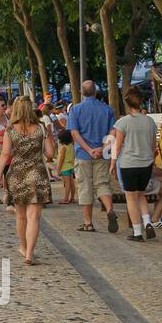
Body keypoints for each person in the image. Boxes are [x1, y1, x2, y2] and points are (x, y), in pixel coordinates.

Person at [0, 97, 53, 265]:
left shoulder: (10, 130)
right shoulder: (41, 128)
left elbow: (6, 154)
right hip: (37, 174)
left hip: (16, 174)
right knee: (34, 217)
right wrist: (49, 137)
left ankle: (23, 247)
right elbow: (50, 154)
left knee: (21, 217)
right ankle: (30, 253)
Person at [67, 79, 118, 232]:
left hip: (83, 154)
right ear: (95, 91)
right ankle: (109, 209)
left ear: (81, 92)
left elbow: (74, 133)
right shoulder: (107, 109)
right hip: (102, 155)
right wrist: (103, 148)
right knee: (102, 184)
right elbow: (113, 131)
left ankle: (88, 223)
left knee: (85, 187)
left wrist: (89, 150)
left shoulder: (75, 110)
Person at [113, 88, 159, 242]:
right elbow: (154, 146)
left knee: (131, 198)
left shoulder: (122, 122)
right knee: (141, 194)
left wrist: (113, 163)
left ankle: (137, 232)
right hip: (146, 164)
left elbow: (118, 146)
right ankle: (147, 222)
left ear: (127, 104)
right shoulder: (150, 121)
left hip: (129, 164)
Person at [55, 129, 76, 204]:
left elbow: (61, 159)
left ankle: (66, 199)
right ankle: (72, 198)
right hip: (71, 166)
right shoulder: (71, 146)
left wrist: (58, 170)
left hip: (65, 168)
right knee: (72, 183)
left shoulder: (63, 148)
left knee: (66, 184)